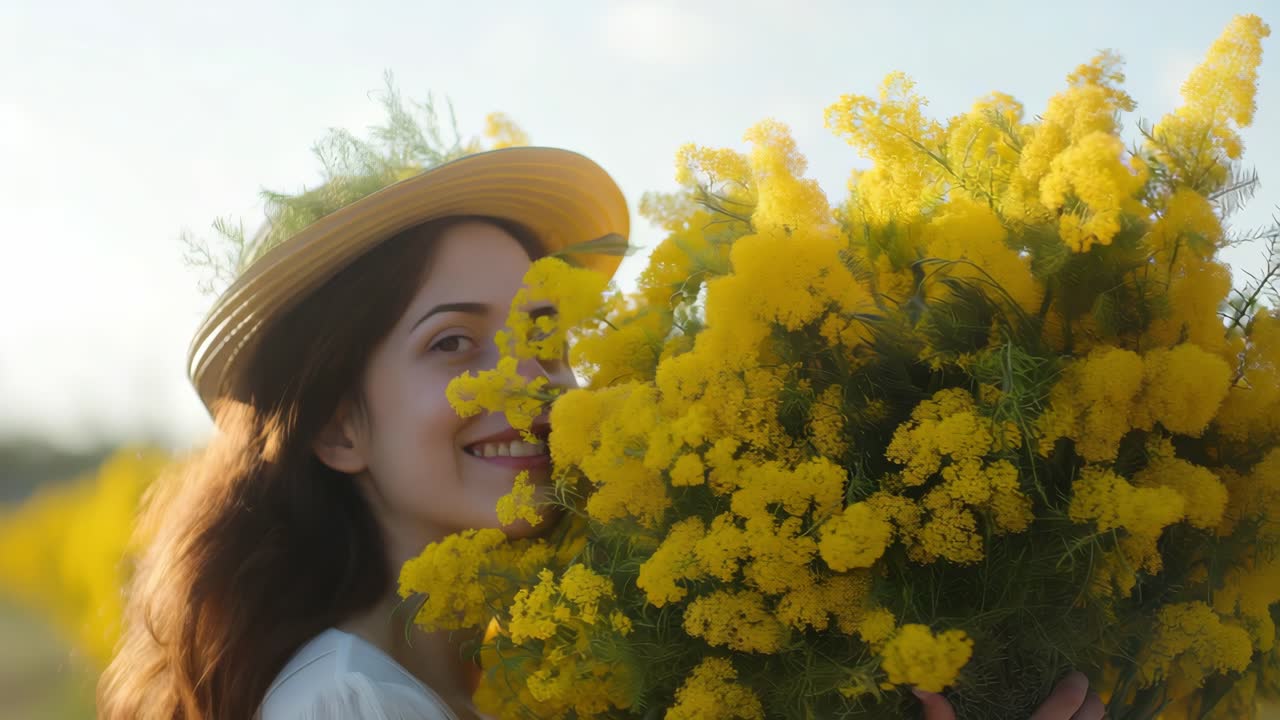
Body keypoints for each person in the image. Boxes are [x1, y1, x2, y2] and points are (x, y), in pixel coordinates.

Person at [97, 132, 1104, 719]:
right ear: (336, 431)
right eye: (453, 345)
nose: (530, 383)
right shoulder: (345, 705)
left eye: (544, 334)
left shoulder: (553, 669)